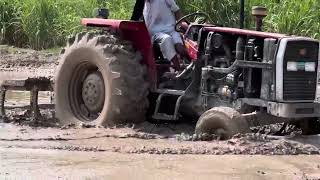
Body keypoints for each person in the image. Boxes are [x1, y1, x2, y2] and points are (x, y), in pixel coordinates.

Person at [143, 0, 187, 71]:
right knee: (167, 39)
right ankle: (179, 69)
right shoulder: (143, 5)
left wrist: (182, 23)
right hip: (156, 33)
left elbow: (176, 10)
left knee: (180, 48)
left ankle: (191, 65)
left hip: (172, 29)